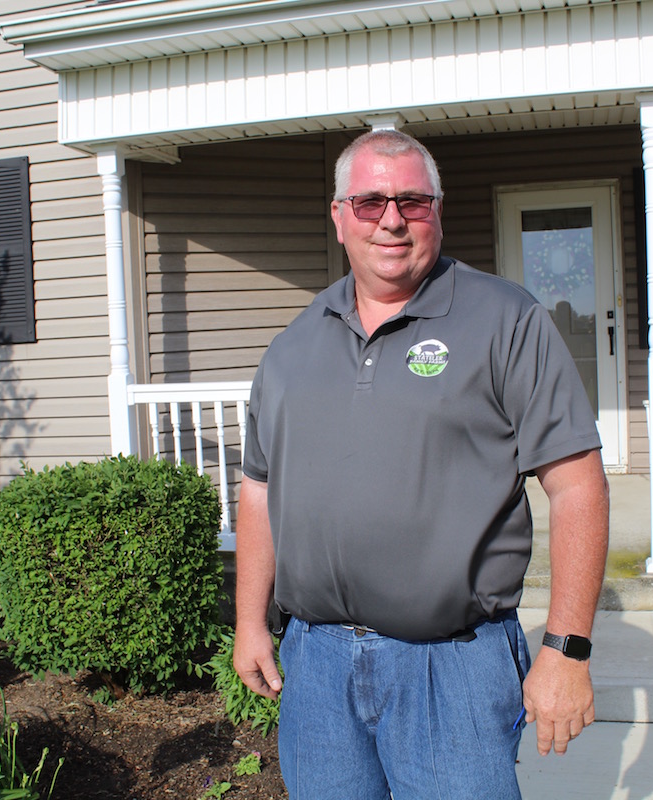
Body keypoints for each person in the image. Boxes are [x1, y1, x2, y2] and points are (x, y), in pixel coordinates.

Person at [233, 128, 610, 799]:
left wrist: (566, 649)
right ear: (339, 215)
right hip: (317, 666)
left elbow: (577, 483)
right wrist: (248, 622)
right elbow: (259, 488)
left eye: (413, 201)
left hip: (452, 668)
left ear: (437, 209)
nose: (392, 221)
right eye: (370, 202)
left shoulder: (503, 320)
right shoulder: (294, 345)